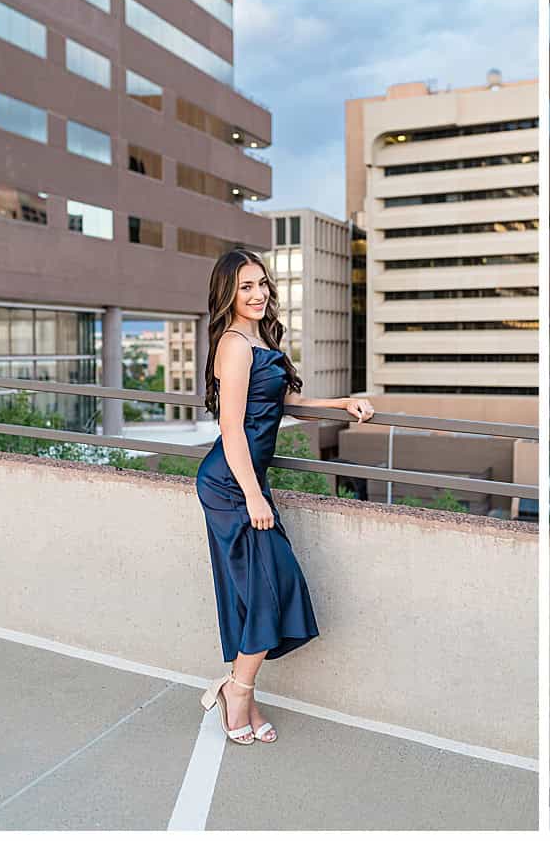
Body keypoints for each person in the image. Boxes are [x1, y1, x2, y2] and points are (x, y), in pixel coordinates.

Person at [193, 249, 373, 745]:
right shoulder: (232, 344)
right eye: (246, 286)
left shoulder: (258, 337)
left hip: (248, 481)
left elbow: (285, 401)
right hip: (231, 485)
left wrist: (341, 402)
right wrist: (254, 497)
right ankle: (238, 691)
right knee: (271, 590)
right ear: (227, 292)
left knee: (264, 591)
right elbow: (231, 428)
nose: (258, 294)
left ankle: (240, 693)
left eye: (262, 285)